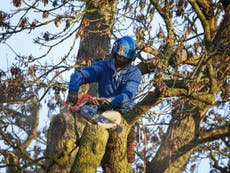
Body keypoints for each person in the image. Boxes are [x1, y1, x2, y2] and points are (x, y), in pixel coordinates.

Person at [67, 35, 142, 163]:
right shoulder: (103, 67)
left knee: (128, 125)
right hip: (103, 109)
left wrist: (110, 102)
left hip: (124, 110)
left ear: (130, 59)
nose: (120, 59)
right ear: (114, 52)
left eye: (124, 58)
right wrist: (73, 89)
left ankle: (129, 143)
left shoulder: (134, 73)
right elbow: (81, 74)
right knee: (87, 110)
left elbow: (128, 95)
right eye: (118, 56)